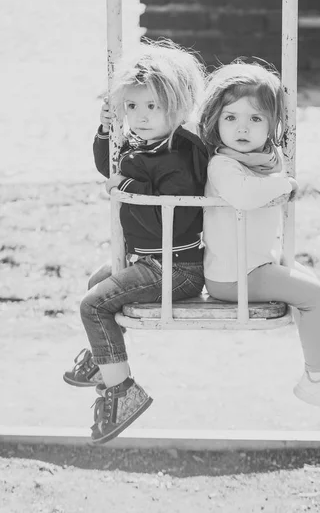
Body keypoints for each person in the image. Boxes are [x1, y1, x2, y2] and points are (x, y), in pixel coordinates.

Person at [199, 61, 320, 416]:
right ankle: (317, 379)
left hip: (256, 261)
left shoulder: (260, 159)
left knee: (307, 278)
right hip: (233, 277)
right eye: (230, 118)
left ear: (272, 124)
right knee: (313, 295)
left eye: (255, 119)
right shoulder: (224, 165)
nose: (242, 128)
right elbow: (247, 196)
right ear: (216, 121)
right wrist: (286, 184)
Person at [63, 39, 208, 444]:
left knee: (93, 306)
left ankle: (122, 391)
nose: (140, 117)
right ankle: (102, 360)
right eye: (132, 107)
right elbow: (107, 163)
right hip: (151, 261)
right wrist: (106, 128)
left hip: (177, 268)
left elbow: (167, 217)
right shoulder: (147, 145)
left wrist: (126, 186)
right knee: (98, 283)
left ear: (176, 108)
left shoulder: (179, 157)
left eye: (152, 108)